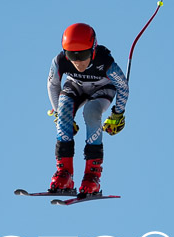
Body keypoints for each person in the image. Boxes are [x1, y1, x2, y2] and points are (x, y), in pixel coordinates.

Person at [47, 23, 129, 196]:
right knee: (63, 110)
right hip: (76, 86)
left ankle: (92, 176)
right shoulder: (60, 61)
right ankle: (64, 173)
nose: (78, 62)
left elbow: (122, 86)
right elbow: (52, 84)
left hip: (102, 88)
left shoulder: (104, 62)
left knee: (91, 112)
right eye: (71, 55)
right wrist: (58, 115)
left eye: (83, 55)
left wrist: (117, 114)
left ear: (93, 49)